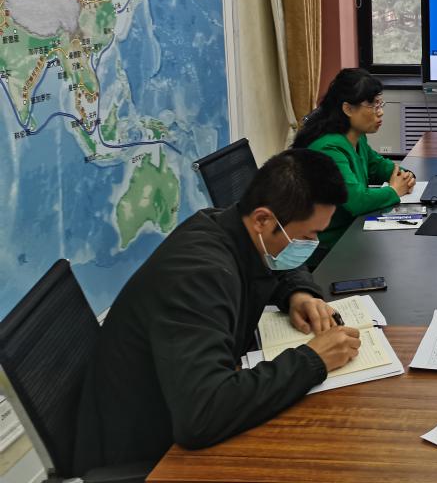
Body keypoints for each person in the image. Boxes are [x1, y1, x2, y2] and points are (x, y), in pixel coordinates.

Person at [74, 149, 362, 473]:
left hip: (174, 405)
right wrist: (313, 359)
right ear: (263, 220)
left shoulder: (230, 226)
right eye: (308, 237)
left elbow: (276, 263)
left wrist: (299, 292)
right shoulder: (199, 275)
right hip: (148, 451)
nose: (311, 245)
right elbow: (203, 415)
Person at [293, 68, 415, 268]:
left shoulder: (356, 136)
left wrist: (404, 176)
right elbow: (356, 201)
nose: (380, 111)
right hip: (325, 246)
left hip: (349, 232)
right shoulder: (328, 148)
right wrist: (394, 190)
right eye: (373, 105)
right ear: (348, 109)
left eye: (380, 103)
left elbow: (377, 166)